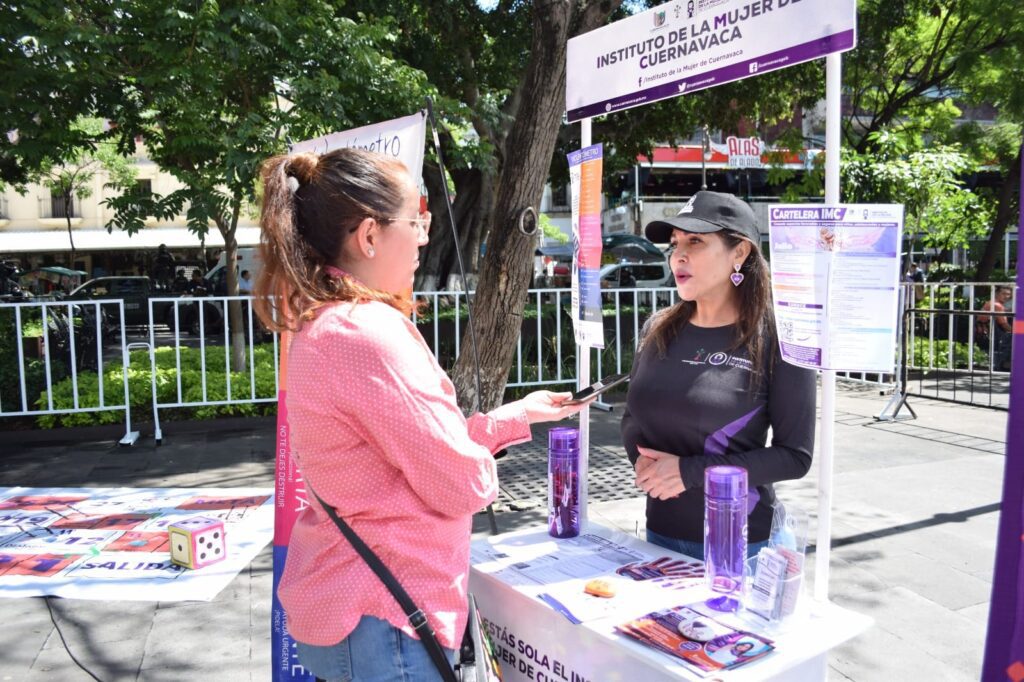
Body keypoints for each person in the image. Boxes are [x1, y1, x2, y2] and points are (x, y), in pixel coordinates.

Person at [252, 148, 584, 682]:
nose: (425, 236)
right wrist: (480, 465)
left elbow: (403, 454)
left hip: (353, 605)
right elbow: (461, 483)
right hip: (387, 613)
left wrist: (512, 416)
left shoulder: (326, 324)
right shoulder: (368, 332)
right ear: (368, 235)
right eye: (415, 220)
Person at [621, 191, 816, 561]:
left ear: (739, 253)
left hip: (740, 548)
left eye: (695, 241)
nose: (678, 254)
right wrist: (644, 464)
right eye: (675, 242)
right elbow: (633, 415)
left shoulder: (782, 337)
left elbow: (795, 456)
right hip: (658, 535)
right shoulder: (658, 328)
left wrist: (687, 472)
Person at [977, 286, 1014, 371]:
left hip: (985, 332)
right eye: (1003, 293)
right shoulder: (997, 305)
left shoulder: (993, 303)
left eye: (1008, 294)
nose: (1006, 296)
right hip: (989, 335)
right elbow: (1005, 326)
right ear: (996, 294)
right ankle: (1005, 364)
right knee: (1014, 337)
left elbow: (1005, 311)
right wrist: (1019, 332)